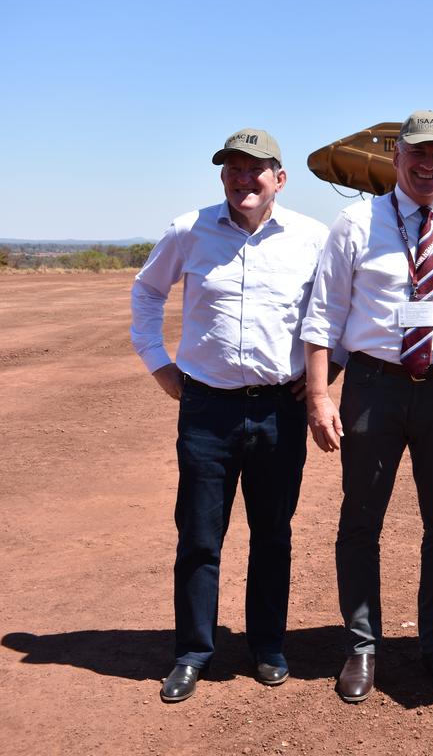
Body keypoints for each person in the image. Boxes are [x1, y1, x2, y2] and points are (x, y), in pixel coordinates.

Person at [130, 128, 331, 703]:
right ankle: (193, 651)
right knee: (199, 536)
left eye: (256, 170)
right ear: (223, 176)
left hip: (279, 409)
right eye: (233, 170)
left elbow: (333, 314)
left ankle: (268, 645)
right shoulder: (188, 231)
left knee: (273, 533)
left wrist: (324, 378)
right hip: (207, 409)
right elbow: (146, 295)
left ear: (280, 179)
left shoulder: (311, 238)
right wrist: (160, 365)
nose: (244, 180)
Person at [301, 110, 433, 703]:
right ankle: (363, 644)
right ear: (397, 157)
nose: (429, 165)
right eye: (419, 153)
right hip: (373, 386)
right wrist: (317, 393)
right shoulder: (355, 223)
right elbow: (323, 313)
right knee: (361, 518)